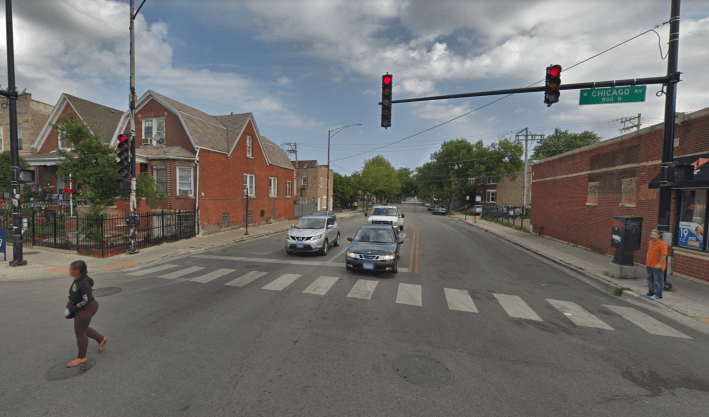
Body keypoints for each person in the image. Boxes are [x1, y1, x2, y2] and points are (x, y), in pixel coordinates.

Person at [64, 260, 107, 367]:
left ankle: (81, 357)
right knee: (82, 327)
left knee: (79, 331)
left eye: (71, 269)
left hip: (88, 308)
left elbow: (86, 300)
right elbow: (74, 293)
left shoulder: (84, 283)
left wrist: (73, 308)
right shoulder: (78, 279)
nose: (69, 271)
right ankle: (101, 339)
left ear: (78, 271)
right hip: (82, 307)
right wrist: (70, 302)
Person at [644, 230, 669, 301]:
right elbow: (649, 251)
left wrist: (659, 264)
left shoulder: (663, 244)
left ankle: (659, 295)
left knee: (658, 281)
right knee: (650, 279)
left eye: (654, 235)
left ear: (658, 236)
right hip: (649, 264)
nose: (652, 236)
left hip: (657, 266)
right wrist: (647, 260)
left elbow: (664, 255)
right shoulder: (650, 242)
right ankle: (651, 293)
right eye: (651, 235)